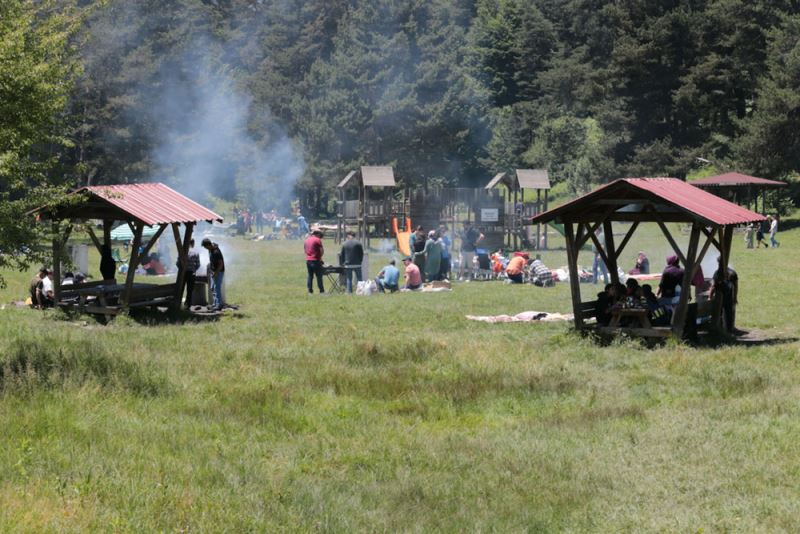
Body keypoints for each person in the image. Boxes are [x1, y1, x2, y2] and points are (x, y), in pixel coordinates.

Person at [710, 259, 739, 334]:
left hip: (719, 299)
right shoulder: (733, 273)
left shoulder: (717, 273)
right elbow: (736, 287)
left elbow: (713, 287)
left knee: (719, 314)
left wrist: (710, 297)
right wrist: (735, 297)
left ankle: (720, 330)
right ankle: (729, 330)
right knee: (729, 315)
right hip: (730, 297)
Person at [201, 238, 225, 310]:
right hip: (213, 271)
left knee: (217, 288)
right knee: (213, 288)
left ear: (208, 245)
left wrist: (216, 273)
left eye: (205, 247)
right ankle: (215, 303)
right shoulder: (210, 249)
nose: (205, 249)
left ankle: (219, 304)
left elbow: (221, 264)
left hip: (218, 272)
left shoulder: (216, 252)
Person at [179, 238, 201, 309]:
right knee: (190, 290)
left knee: (180, 288)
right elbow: (198, 264)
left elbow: (177, 263)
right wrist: (194, 269)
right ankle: (188, 305)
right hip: (191, 273)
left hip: (182, 273)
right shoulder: (196, 253)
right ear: (193, 244)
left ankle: (178, 303)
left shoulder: (182, 251)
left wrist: (181, 270)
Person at [304, 229, 325, 294]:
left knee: (310, 276)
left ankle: (310, 291)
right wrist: (320, 258)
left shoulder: (306, 240)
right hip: (315, 260)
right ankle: (321, 291)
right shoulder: (317, 240)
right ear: (318, 234)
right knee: (319, 276)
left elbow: (305, 250)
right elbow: (321, 251)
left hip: (308, 260)